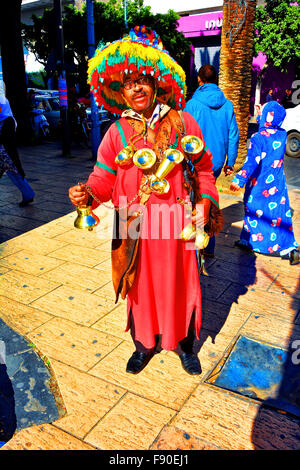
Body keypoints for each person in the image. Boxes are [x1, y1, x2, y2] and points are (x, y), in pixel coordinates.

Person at [68, 26, 223, 375]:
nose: (135, 87)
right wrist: (87, 194)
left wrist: (206, 204)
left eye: (142, 79)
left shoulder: (184, 122)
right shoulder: (116, 131)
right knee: (137, 284)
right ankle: (144, 343)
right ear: (119, 92)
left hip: (176, 221)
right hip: (132, 220)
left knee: (181, 282)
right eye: (127, 83)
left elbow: (204, 170)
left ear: (156, 81)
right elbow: (103, 178)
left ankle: (184, 343)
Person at [230, 101, 299, 265]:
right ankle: (289, 249)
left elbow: (251, 162)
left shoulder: (257, 138)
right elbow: (270, 126)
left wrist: (239, 179)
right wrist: (262, 114)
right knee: (280, 216)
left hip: (259, 184)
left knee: (252, 211)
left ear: (267, 116)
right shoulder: (282, 134)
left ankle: (249, 240)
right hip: (278, 184)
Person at [184, 64, 239, 257]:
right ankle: (209, 246)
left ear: (199, 80)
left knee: (194, 200)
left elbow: (185, 134)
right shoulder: (228, 104)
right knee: (209, 196)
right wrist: (230, 162)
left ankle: (195, 244)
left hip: (196, 161)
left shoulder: (192, 104)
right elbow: (233, 134)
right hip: (216, 162)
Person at [0, 94, 35, 206]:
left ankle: (28, 194)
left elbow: (7, 140)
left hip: (5, 155)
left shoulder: (7, 120)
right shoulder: (7, 118)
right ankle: (28, 194)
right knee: (15, 174)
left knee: (15, 174)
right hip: (6, 155)